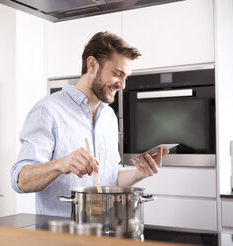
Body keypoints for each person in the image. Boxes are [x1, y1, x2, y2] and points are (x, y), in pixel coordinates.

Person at [11, 31, 169, 217]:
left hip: (103, 232)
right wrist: (60, 164)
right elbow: (20, 180)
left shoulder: (109, 117)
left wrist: (138, 173)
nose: (123, 85)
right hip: (58, 237)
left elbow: (110, 177)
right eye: (117, 74)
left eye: (126, 77)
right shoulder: (48, 110)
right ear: (92, 64)